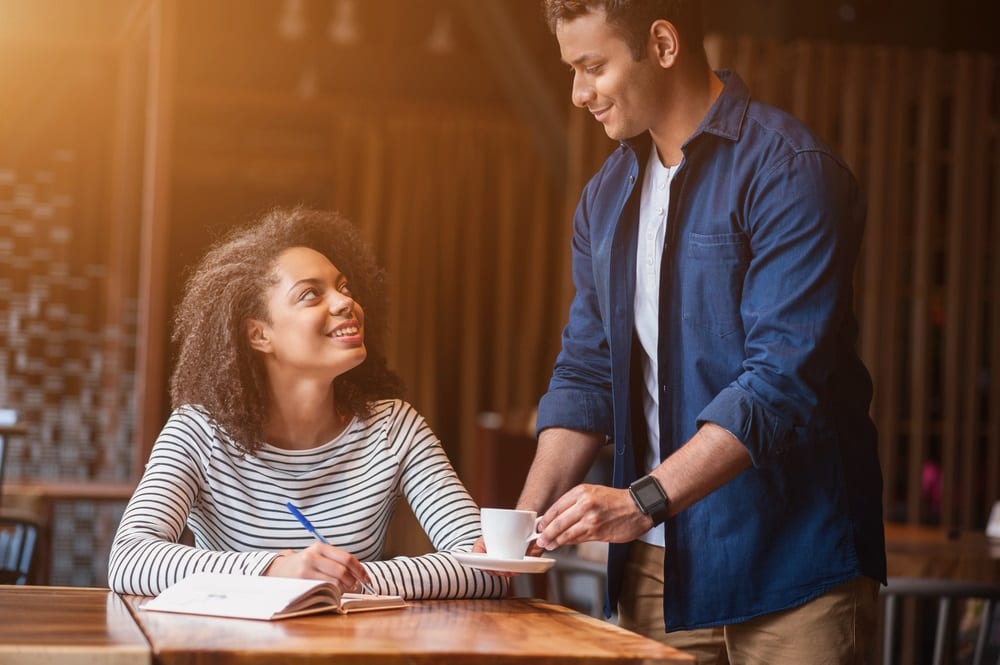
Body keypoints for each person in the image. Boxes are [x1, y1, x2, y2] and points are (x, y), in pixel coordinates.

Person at [511, 1, 887, 662]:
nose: (578, 93)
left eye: (592, 66)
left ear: (661, 43)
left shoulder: (790, 171)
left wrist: (640, 499)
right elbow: (587, 373)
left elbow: (778, 384)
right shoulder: (604, 198)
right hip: (658, 576)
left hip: (795, 571)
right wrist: (516, 535)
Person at [108, 206, 507, 600]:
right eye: (310, 294)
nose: (344, 302)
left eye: (344, 286)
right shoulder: (198, 432)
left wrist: (348, 578)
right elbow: (128, 560)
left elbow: (489, 569)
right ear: (260, 335)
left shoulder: (394, 429)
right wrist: (276, 569)